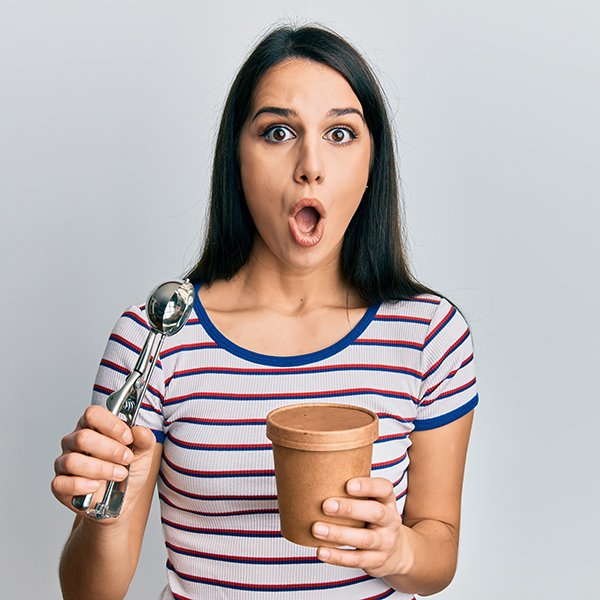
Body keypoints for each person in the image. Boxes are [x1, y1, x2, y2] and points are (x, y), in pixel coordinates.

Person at [52, 24, 478, 600]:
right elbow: (88, 593)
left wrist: (397, 549)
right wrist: (104, 513)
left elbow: (438, 551)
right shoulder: (156, 335)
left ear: (373, 161)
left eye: (340, 134)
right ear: (237, 157)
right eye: (278, 132)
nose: (310, 165)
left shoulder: (428, 335)